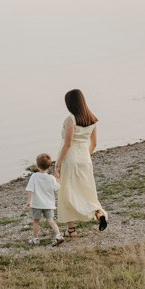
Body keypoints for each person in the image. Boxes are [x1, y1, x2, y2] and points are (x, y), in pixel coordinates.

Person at [56, 88, 108, 234]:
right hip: (85, 158)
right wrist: (86, 156)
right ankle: (99, 214)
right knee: (86, 190)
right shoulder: (92, 118)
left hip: (70, 158)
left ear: (70, 104)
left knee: (66, 191)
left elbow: (67, 143)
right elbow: (95, 143)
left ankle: (71, 229)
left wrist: (58, 162)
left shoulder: (70, 119)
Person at [24, 153, 64, 247]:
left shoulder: (34, 177)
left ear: (37, 166)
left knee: (36, 221)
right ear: (49, 166)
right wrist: (57, 179)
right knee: (51, 220)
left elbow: (31, 190)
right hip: (48, 204)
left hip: (36, 204)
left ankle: (35, 238)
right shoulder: (51, 178)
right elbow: (57, 188)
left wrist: (28, 202)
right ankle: (58, 235)